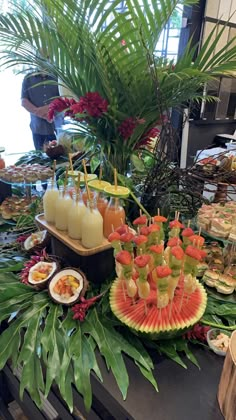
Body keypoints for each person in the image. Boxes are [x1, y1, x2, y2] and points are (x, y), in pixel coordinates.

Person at [21, 72, 62, 150]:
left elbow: (64, 98)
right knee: (41, 160)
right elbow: (24, 101)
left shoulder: (58, 77)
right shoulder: (28, 78)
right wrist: (41, 113)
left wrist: (49, 108)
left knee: (63, 159)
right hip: (38, 128)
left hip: (59, 128)